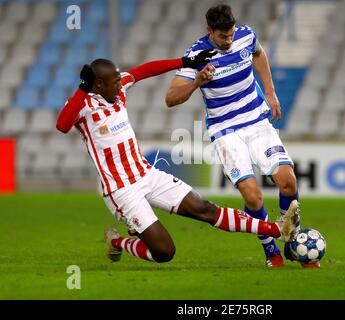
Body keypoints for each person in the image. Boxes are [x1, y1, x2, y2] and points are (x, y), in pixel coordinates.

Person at [55, 53, 299, 264]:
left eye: (120, 80)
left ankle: (277, 229)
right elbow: (62, 125)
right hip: (121, 189)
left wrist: (183, 62)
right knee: (164, 252)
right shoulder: (83, 106)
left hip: (147, 174)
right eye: (115, 82)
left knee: (204, 209)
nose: (121, 85)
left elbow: (144, 70)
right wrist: (81, 89)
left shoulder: (118, 92)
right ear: (97, 85)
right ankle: (118, 241)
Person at [165, 4, 313, 267]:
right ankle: (271, 252)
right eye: (223, 36)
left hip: (257, 120)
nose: (229, 40)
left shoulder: (245, 35)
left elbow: (259, 54)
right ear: (210, 31)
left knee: (288, 181)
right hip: (225, 130)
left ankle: (292, 239)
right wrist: (197, 81)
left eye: (231, 34)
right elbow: (171, 98)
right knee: (252, 196)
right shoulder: (196, 54)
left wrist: (270, 91)